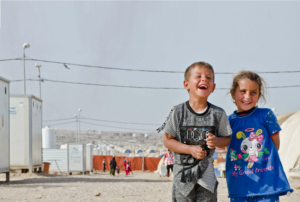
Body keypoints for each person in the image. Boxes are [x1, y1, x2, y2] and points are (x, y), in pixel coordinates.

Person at [157, 62, 232, 202]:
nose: (204, 79)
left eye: (209, 77)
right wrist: (190, 149)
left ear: (213, 87)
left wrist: (216, 141)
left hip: (207, 176)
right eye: (198, 76)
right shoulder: (178, 112)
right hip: (183, 177)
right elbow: (167, 140)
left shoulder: (218, 113)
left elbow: (227, 138)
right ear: (186, 84)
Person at [226, 71, 293, 202]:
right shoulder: (228, 121)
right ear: (233, 94)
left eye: (253, 92)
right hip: (239, 187)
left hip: (266, 186)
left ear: (259, 95)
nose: (247, 96)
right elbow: (223, 143)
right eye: (243, 91)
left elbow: (275, 146)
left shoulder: (266, 115)